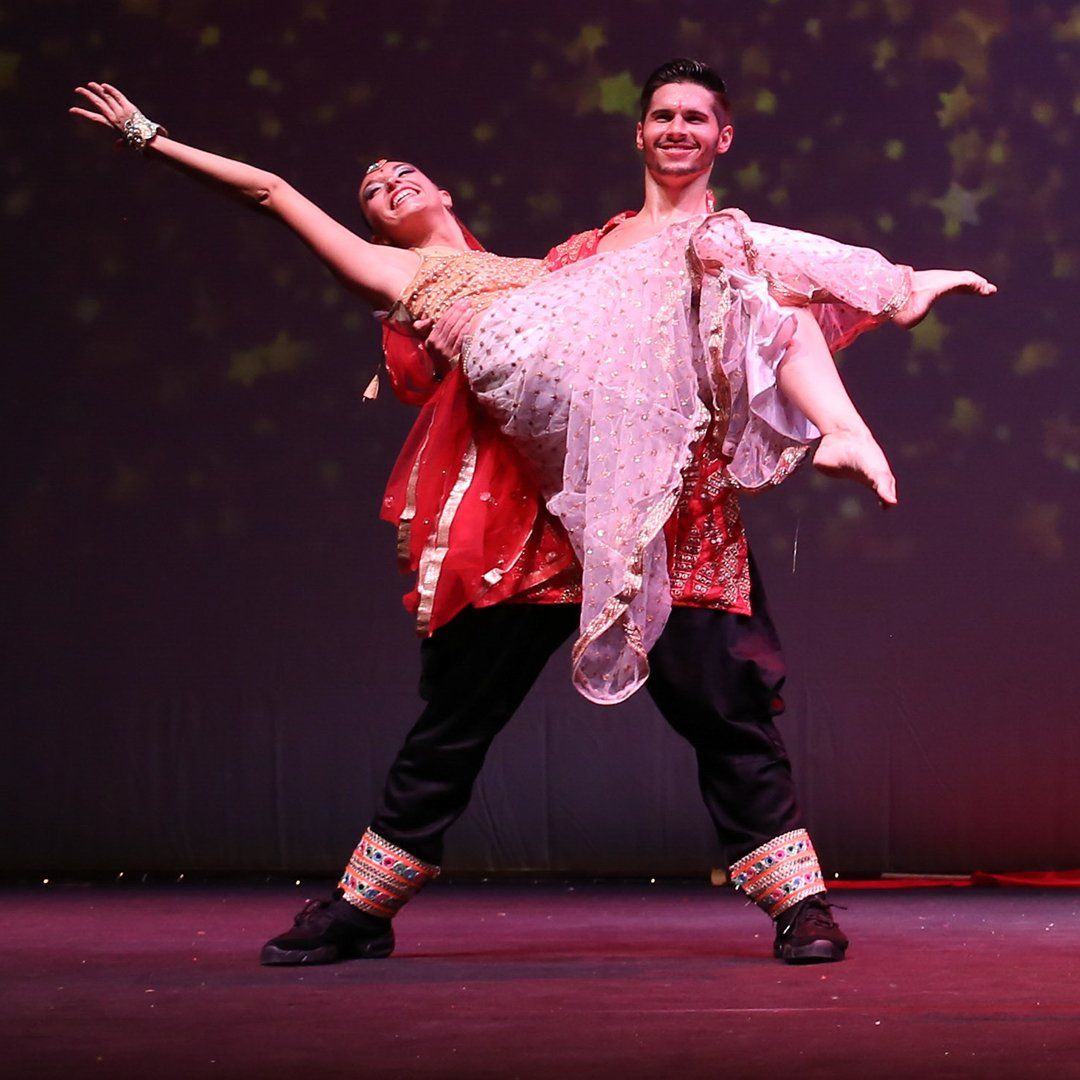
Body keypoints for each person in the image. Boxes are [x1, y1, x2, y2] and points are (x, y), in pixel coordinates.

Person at [70, 62, 993, 965]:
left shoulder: (555, 264)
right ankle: (360, 908)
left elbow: (744, 324)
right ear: (638, 134)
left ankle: (799, 905)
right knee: (457, 718)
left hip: (662, 502)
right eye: (374, 190)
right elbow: (272, 193)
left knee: (727, 706)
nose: (390, 184)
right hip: (534, 514)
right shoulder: (444, 269)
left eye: (405, 173)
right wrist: (149, 138)